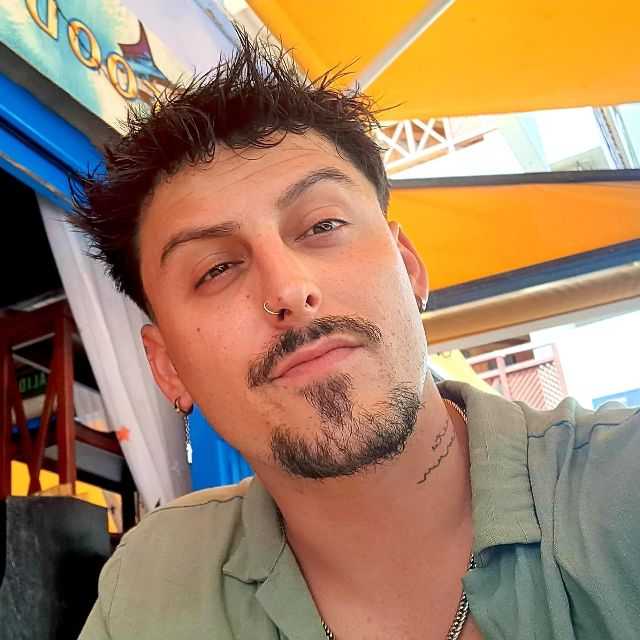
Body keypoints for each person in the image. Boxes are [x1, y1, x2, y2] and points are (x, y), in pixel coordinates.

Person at [74, 30, 639, 640]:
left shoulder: (620, 490)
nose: (288, 288)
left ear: (409, 268)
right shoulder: (153, 584)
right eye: (215, 269)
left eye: (323, 225)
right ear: (168, 368)